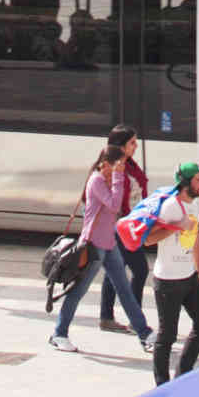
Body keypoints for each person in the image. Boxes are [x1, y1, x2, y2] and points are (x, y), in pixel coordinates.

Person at [50, 147, 152, 353]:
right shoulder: (96, 180)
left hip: (109, 244)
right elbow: (114, 205)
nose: (122, 169)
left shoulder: (107, 179)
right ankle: (59, 334)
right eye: (119, 165)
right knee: (78, 291)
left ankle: (145, 334)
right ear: (105, 164)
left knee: (124, 290)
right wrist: (117, 176)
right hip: (94, 246)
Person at [148, 161, 199, 386]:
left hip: (189, 277)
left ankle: (183, 373)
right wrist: (176, 226)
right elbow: (149, 239)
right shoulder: (170, 208)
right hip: (167, 281)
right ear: (185, 183)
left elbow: (195, 242)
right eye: (198, 179)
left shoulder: (195, 207)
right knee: (167, 336)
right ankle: (161, 385)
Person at [100, 125, 149, 334]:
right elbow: (112, 199)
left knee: (114, 271)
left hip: (131, 225)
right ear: (121, 146)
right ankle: (134, 319)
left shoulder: (130, 165)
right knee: (139, 270)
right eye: (132, 143)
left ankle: (107, 317)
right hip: (120, 227)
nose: (136, 146)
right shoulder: (112, 168)